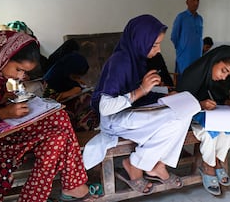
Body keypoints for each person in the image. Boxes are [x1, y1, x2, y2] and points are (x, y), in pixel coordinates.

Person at [0, 31, 97, 202]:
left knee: (58, 129)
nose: (19, 76)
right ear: (5, 54)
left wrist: (4, 98)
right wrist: (4, 112)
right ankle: (70, 186)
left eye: (23, 73)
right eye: (18, 69)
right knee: (59, 128)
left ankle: (46, 194)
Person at [83, 15, 198, 194]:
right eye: (154, 45)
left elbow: (135, 91)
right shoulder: (120, 62)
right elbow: (105, 107)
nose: (158, 50)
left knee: (183, 111)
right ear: (139, 41)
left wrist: (167, 94)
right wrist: (142, 90)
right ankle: (139, 165)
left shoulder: (136, 58)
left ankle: (154, 164)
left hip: (129, 113)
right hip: (113, 120)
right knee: (174, 119)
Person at [176, 45, 230, 196]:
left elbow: (220, 97)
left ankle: (217, 160)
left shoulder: (219, 79)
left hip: (211, 117)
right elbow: (179, 103)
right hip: (187, 119)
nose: (224, 77)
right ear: (214, 61)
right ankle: (208, 166)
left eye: (229, 74)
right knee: (209, 133)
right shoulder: (192, 74)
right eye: (224, 71)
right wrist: (199, 104)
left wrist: (229, 102)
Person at [43, 53, 99, 131]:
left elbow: (71, 82)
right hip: (57, 110)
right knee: (87, 99)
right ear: (70, 70)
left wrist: (78, 83)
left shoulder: (64, 72)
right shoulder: (53, 78)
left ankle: (87, 126)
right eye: (76, 75)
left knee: (91, 96)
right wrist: (72, 91)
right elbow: (49, 100)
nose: (77, 78)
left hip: (67, 104)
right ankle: (82, 129)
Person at [171, 0, 203, 76]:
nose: (196, 3)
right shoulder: (181, 17)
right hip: (184, 57)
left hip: (197, 56)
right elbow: (174, 36)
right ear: (187, 2)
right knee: (183, 78)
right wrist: (181, 48)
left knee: (194, 78)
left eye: (198, 0)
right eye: (193, 0)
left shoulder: (200, 19)